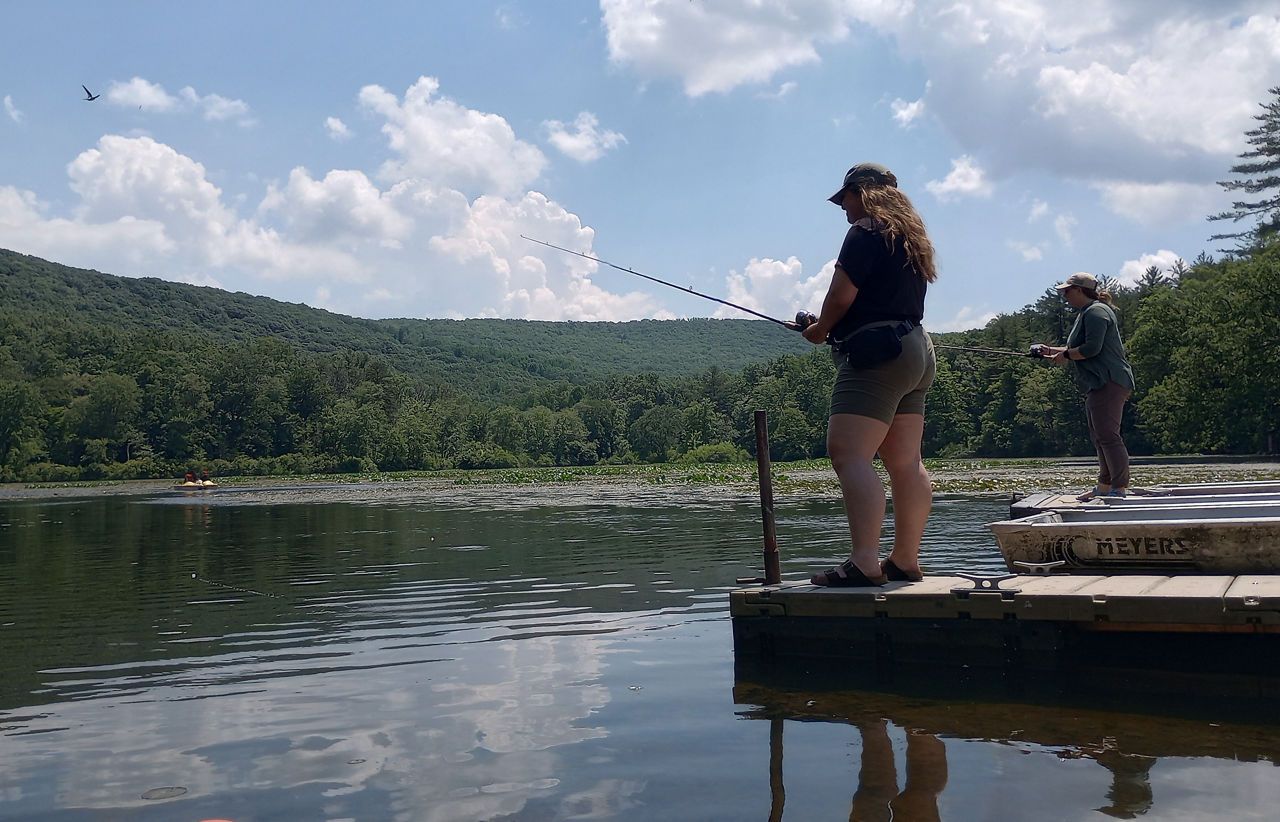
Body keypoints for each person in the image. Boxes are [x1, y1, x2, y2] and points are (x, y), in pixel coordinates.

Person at [797, 162, 938, 587]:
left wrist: (819, 330)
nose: (844, 210)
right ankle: (905, 560)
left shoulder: (866, 230)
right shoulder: (910, 237)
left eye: (846, 200)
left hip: (879, 359)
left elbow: (841, 295)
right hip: (916, 350)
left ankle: (864, 562)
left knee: (849, 454)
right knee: (905, 462)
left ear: (863, 192)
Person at [1035, 272, 1136, 500]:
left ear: (1080, 290)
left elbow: (1092, 348)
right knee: (1099, 436)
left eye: (1067, 291)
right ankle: (1103, 487)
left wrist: (1067, 355)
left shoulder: (1097, 312)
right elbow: (1077, 348)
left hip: (1111, 380)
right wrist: (1049, 351)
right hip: (1099, 383)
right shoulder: (1086, 313)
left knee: (1109, 436)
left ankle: (1118, 489)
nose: (1064, 296)